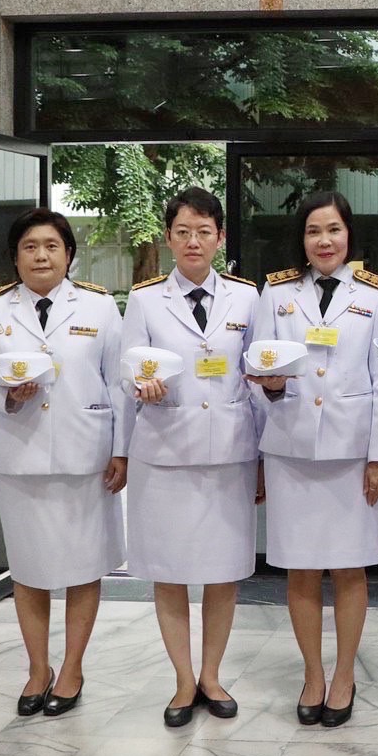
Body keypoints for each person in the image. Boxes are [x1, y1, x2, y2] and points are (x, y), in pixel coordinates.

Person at [0, 209, 129, 717]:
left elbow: (121, 383)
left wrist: (122, 449)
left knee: (85, 567)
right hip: (24, 455)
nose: (41, 255)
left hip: (87, 455)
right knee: (30, 570)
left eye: (52, 246)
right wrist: (5, 393)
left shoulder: (101, 308)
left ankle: (73, 668)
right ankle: (38, 669)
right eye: (30, 247)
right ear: (15, 257)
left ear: (68, 254)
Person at [250, 191, 378, 728]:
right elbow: (260, 368)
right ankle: (313, 673)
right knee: (300, 569)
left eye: (333, 229)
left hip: (351, 453)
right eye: (314, 231)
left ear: (348, 235)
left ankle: (344, 675)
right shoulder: (277, 293)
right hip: (290, 449)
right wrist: (267, 390)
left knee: (349, 566)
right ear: (302, 239)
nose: (325, 241)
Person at [120, 187, 261, 728]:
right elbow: (128, 370)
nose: (194, 241)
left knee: (223, 570)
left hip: (229, 452)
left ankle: (213, 675)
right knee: (171, 571)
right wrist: (142, 385)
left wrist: (265, 457)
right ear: (169, 237)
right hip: (165, 450)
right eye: (183, 232)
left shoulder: (247, 298)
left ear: (220, 237)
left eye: (204, 231)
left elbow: (261, 374)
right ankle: (182, 680)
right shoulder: (146, 300)